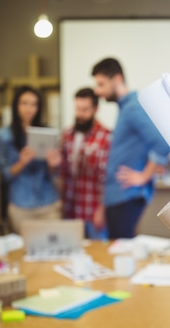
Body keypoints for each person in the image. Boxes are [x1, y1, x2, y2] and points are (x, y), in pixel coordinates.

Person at [91, 57, 170, 239]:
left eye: (101, 84)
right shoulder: (125, 108)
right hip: (117, 197)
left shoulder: (133, 108)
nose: (98, 91)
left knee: (121, 255)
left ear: (117, 80)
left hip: (126, 197)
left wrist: (143, 176)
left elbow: (162, 142)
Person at [0, 85, 62, 234]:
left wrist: (54, 165)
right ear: (16, 105)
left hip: (47, 202)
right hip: (21, 204)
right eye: (24, 103)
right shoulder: (4, 136)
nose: (29, 108)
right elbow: (4, 175)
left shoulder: (48, 132)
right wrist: (21, 163)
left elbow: (55, 174)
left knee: (52, 249)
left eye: (34, 104)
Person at [60, 87, 112, 239]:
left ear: (96, 109)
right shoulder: (67, 135)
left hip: (93, 211)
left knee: (98, 255)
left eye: (85, 110)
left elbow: (107, 179)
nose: (80, 114)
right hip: (70, 210)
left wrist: (102, 210)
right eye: (77, 109)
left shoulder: (106, 137)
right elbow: (63, 173)